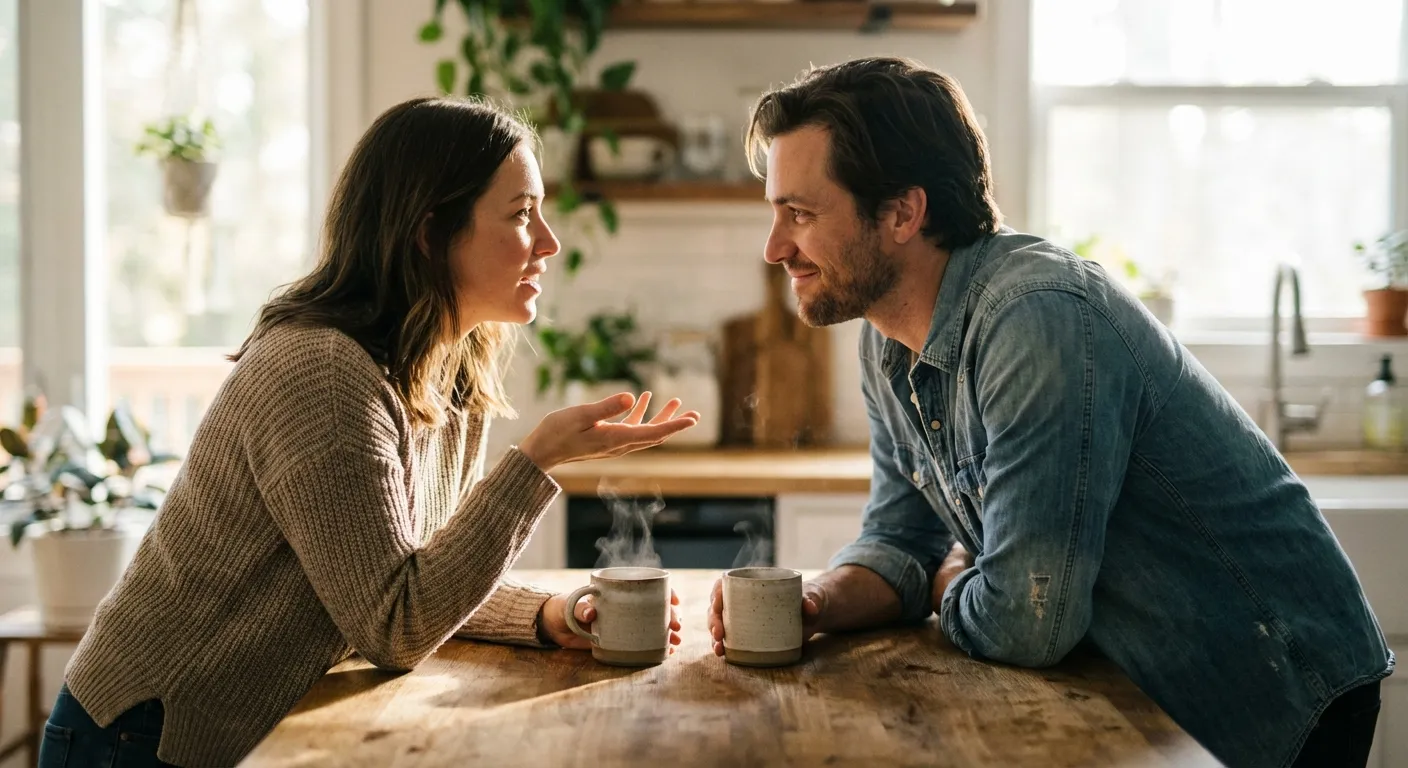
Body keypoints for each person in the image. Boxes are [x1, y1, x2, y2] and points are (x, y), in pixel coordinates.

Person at [706, 57, 1393, 768]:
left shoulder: (1035, 318)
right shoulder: (887, 343)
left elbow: (1027, 622)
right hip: (1146, 691)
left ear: (903, 213)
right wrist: (815, 601)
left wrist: (952, 585)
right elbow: (899, 541)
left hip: (1277, 686)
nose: (775, 247)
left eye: (801, 213)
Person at [41, 97, 699, 768]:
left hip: (235, 730)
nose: (549, 243)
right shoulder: (322, 374)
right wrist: (537, 460)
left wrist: (550, 615)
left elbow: (415, 574)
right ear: (429, 232)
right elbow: (396, 624)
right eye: (522, 214)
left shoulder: (452, 365)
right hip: (139, 732)